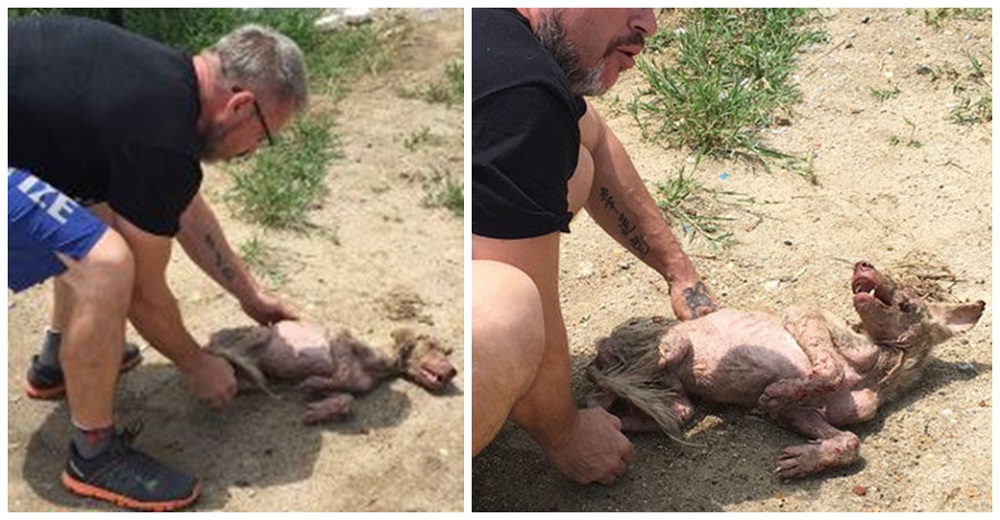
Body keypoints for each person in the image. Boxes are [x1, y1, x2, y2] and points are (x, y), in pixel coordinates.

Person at [9, 15, 308, 510]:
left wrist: (250, 295)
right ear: (239, 105)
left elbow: (180, 202)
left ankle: (54, 365)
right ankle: (93, 456)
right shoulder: (160, 130)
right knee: (105, 263)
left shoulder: (165, 82)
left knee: (94, 217)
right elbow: (144, 297)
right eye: (262, 139)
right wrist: (196, 363)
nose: (251, 152)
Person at [471, 8, 719, 485]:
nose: (649, 24)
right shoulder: (521, 93)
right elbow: (536, 316)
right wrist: (566, 434)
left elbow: (597, 137)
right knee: (508, 307)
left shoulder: (502, 34)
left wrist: (680, 275)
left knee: (577, 161)